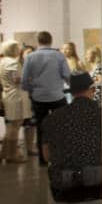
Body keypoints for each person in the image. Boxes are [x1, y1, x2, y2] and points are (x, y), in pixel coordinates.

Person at [41, 72, 102, 201]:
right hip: (99, 184)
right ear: (92, 90)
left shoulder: (52, 118)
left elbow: (47, 156)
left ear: (72, 93)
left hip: (63, 186)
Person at [21, 31, 70, 165]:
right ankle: (60, 157)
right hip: (57, 96)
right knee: (60, 127)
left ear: (38, 41)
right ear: (51, 41)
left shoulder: (30, 57)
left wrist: (31, 91)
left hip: (39, 98)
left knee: (41, 129)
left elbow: (24, 80)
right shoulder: (59, 55)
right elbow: (67, 75)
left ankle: (43, 160)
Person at [1, 41, 32, 163]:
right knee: (15, 126)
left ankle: (4, 152)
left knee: (11, 126)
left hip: (9, 95)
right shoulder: (13, 63)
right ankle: (13, 154)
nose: (19, 50)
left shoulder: (3, 61)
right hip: (16, 96)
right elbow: (17, 79)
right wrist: (30, 78)